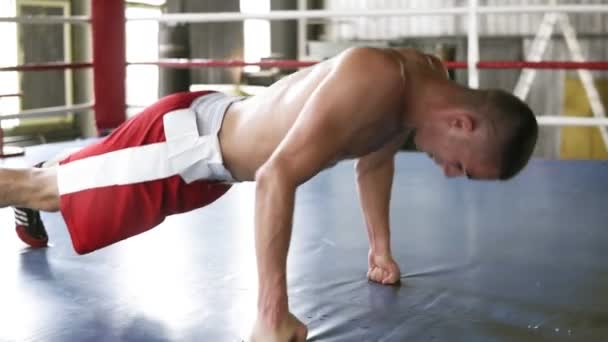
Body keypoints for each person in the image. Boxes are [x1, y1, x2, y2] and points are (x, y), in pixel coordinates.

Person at [4, 47, 537, 341]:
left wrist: (380, 248)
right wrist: (271, 313)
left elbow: (375, 158)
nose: (450, 173)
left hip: (210, 164)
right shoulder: (375, 78)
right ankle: (34, 184)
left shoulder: (423, 82)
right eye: (464, 168)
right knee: (49, 192)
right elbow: (276, 177)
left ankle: (46, 179)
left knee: (74, 190)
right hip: (187, 146)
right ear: (463, 124)